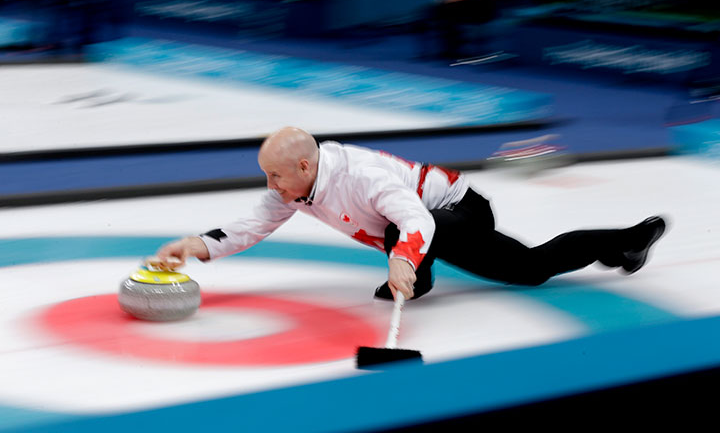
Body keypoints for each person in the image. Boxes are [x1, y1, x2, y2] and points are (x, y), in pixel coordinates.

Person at [155, 127, 667, 301]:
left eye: (275, 178)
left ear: (305, 166)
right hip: (415, 221)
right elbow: (252, 225)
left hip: (454, 211)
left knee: (528, 270)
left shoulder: (360, 176)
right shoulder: (294, 185)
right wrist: (195, 245)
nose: (271, 188)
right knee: (402, 241)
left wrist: (404, 259)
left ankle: (628, 237)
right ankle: (416, 275)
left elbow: (419, 221)